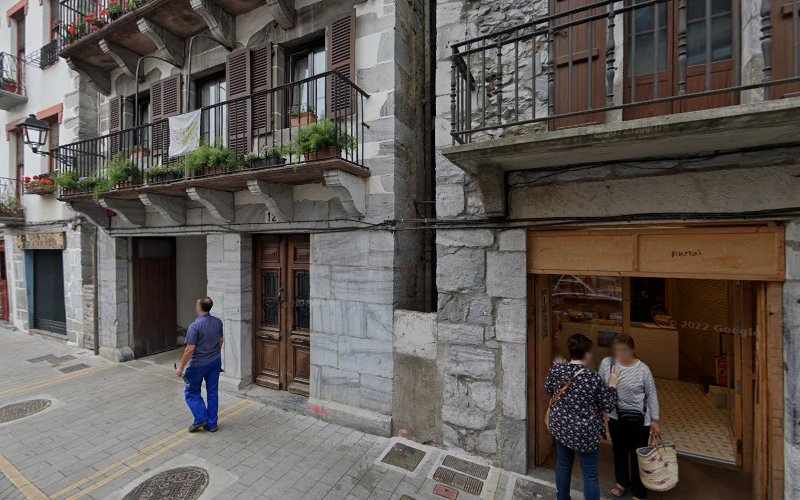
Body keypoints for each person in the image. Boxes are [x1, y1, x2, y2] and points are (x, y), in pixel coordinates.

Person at [546, 334, 619, 500]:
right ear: (586, 354)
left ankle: (562, 498)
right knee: (590, 474)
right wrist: (613, 384)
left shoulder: (557, 370)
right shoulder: (593, 378)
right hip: (585, 432)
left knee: (563, 464)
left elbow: (549, 389)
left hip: (561, 426)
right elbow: (608, 405)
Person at [599, 333, 661, 500]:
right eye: (617, 350)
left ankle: (639, 490)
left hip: (639, 420)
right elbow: (601, 389)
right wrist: (602, 411)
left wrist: (655, 420)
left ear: (633, 350)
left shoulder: (643, 369)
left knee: (637, 455)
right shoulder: (607, 364)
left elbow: (652, 394)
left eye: (624, 350)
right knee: (619, 451)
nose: (620, 354)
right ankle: (621, 483)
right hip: (615, 417)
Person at [176, 297, 224, 433]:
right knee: (213, 393)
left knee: (191, 392)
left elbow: (190, 349)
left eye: (197, 304)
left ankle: (201, 418)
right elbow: (221, 340)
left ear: (199, 307)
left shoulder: (194, 326)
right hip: (214, 362)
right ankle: (212, 424)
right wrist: (215, 354)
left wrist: (180, 368)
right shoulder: (218, 322)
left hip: (198, 365)